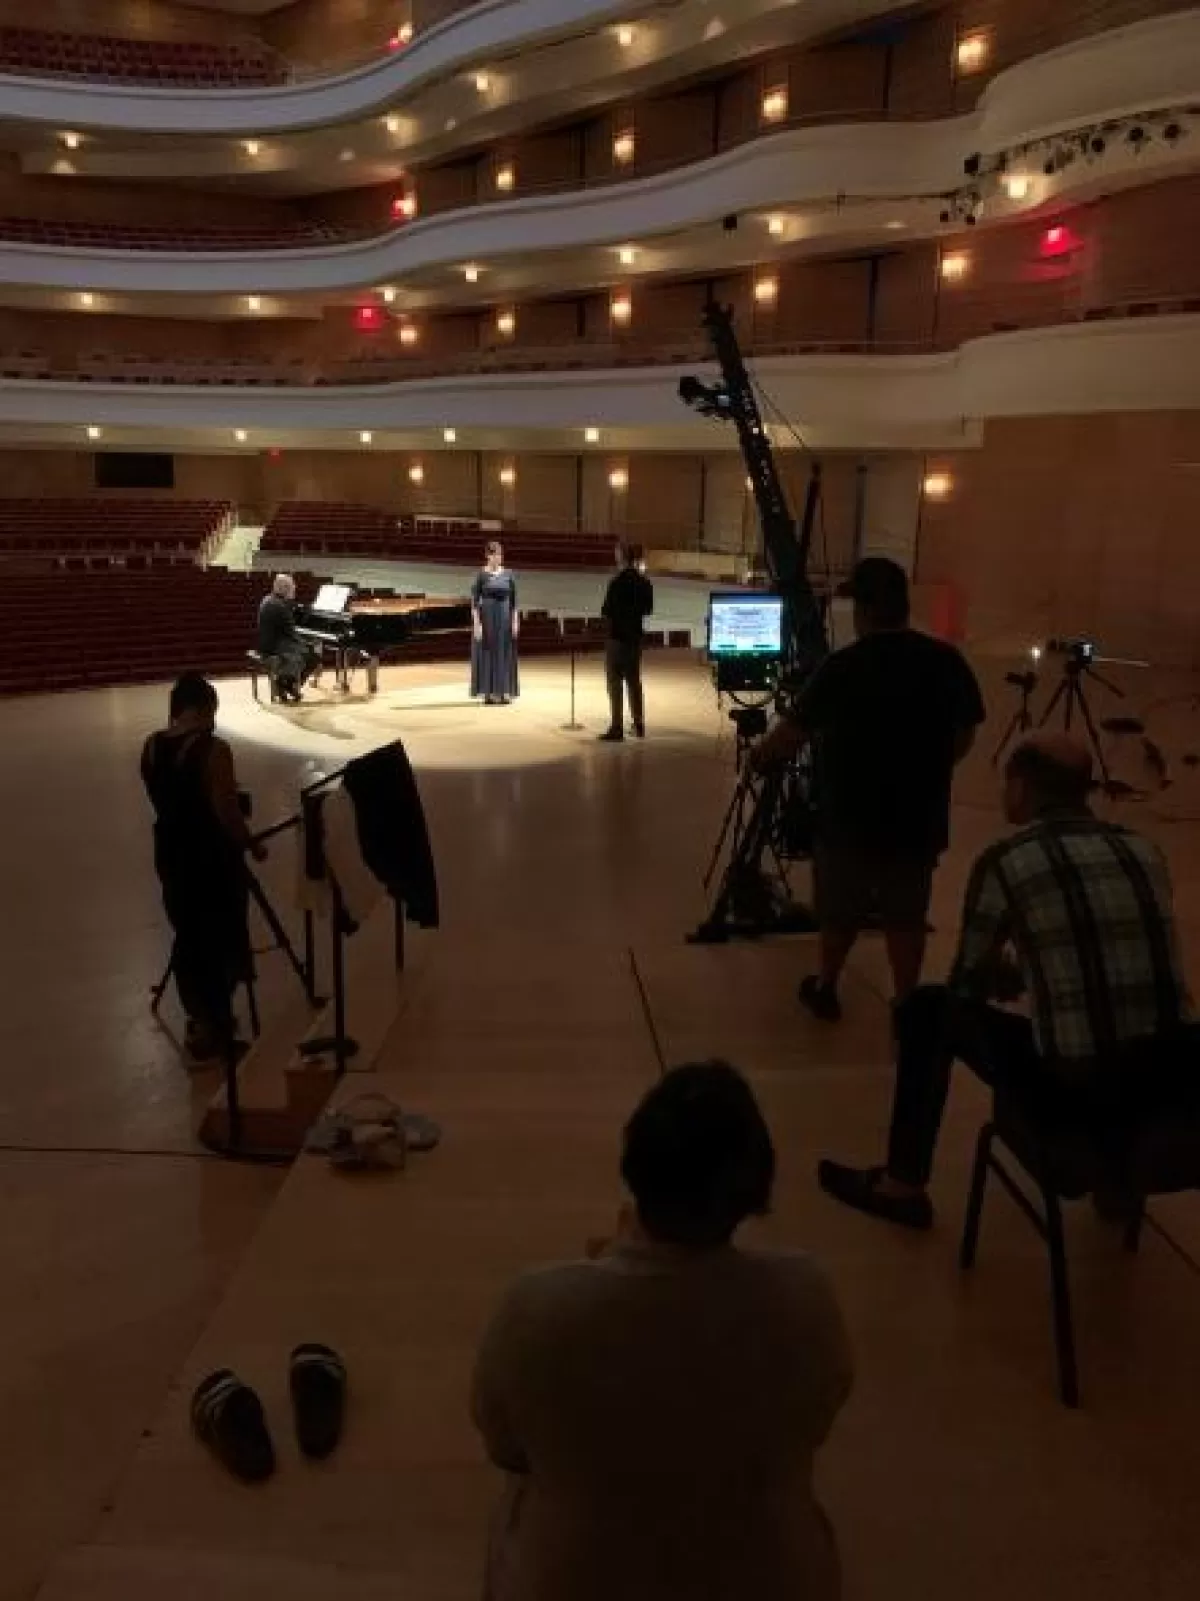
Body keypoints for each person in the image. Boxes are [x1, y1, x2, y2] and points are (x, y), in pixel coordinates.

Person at [471, 1061, 853, 1601]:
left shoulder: (535, 1308)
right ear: (753, 1188)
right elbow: (816, 1420)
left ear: (637, 1168)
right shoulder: (806, 1298)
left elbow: (505, 1445)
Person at [818, 733, 1198, 1230]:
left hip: (1076, 1092)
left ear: (1019, 788)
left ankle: (902, 1186)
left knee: (928, 1011)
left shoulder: (1006, 861)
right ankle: (1119, 1187)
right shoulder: (1144, 851)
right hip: (1171, 1083)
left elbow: (967, 987)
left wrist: (1001, 979)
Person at [754, 555, 985, 1020]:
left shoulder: (842, 667)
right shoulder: (945, 661)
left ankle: (827, 986)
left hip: (848, 819)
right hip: (917, 817)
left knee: (839, 913)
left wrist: (760, 755)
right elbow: (965, 732)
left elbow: (790, 735)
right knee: (906, 916)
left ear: (862, 610)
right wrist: (932, 767)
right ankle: (906, 1002)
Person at [141, 674, 266, 1062]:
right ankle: (218, 1025)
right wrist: (252, 843)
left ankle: (198, 1017)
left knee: (188, 933)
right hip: (212, 857)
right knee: (221, 936)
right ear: (202, 708)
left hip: (171, 854)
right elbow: (226, 811)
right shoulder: (214, 750)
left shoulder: (151, 747)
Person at [599, 542, 654, 741]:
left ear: (621, 557)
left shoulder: (616, 582)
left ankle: (617, 727)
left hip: (617, 639)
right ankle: (639, 724)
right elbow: (648, 610)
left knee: (614, 684)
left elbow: (606, 611)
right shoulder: (644, 582)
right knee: (634, 681)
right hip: (635, 639)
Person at [471, 540, 519, 705]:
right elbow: (474, 603)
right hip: (487, 619)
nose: (498, 557)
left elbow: (514, 602)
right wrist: (477, 624)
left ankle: (505, 691)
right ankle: (489, 693)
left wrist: (515, 622)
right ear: (488, 556)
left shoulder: (509, 574)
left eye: (500, 554)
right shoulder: (481, 575)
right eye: (495, 555)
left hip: (505, 619)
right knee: (488, 654)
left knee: (505, 654)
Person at [257, 573, 317, 703]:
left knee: (305, 650)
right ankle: (286, 684)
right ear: (285, 588)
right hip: (274, 647)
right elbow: (291, 634)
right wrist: (308, 642)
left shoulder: (268, 599)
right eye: (292, 587)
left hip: (266, 643)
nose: (294, 589)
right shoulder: (280, 606)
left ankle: (286, 684)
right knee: (313, 656)